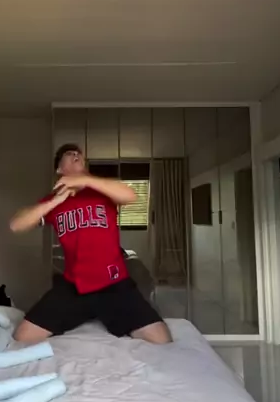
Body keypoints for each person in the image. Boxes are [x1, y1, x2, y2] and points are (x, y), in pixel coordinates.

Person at [10, 144, 172, 344]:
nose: (76, 154)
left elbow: (131, 196)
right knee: (22, 336)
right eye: (69, 153)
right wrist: (55, 201)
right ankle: (87, 312)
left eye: (79, 154)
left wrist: (85, 179)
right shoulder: (53, 201)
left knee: (161, 339)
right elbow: (16, 225)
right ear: (59, 169)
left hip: (114, 285)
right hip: (73, 287)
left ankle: (107, 313)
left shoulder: (102, 190)